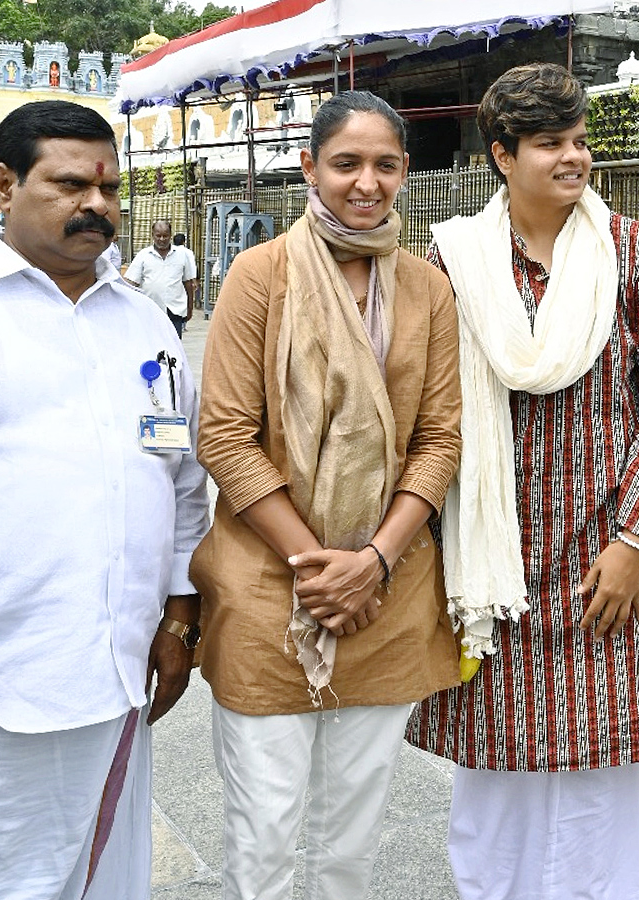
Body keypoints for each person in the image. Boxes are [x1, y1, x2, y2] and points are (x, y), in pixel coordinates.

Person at [408, 63, 639, 900]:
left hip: (612, 558)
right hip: (491, 565)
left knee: (608, 779)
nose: (573, 159)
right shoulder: (455, 259)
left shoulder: (632, 252)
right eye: (549, 144)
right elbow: (430, 404)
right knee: (495, 783)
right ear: (503, 154)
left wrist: (637, 541)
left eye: (579, 141)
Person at [188, 90, 462, 900]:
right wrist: (320, 565)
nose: (366, 182)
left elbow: (440, 439)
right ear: (310, 167)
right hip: (271, 585)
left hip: (387, 589)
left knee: (350, 844)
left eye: (384, 165)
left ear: (406, 172)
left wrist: (372, 562)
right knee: (264, 838)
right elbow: (226, 437)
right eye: (346, 163)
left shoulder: (426, 289)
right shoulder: (259, 274)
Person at [0, 100, 210, 900]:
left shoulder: (148, 328)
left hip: (118, 676)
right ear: (2, 186)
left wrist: (180, 616)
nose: (97, 205)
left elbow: (182, 483)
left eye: (109, 189)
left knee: (102, 877)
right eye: (67, 185)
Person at [126, 219, 197, 336]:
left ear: (171, 235)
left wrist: (190, 308)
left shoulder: (182, 255)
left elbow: (188, 283)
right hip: (150, 311)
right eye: (158, 236)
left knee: (174, 347)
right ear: (153, 235)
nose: (162, 239)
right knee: (152, 347)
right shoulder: (143, 255)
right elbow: (131, 283)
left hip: (175, 310)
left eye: (165, 236)